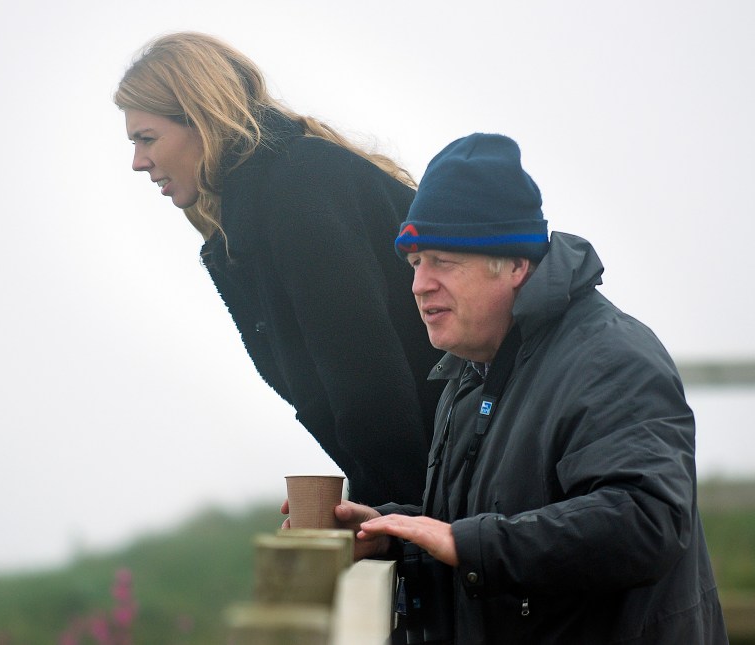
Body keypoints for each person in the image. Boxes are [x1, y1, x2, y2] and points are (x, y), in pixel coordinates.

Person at [327, 133, 728, 643]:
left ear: (516, 264)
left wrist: (468, 544)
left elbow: (647, 521)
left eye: (443, 262)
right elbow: (475, 532)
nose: (419, 284)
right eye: (415, 263)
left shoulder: (609, 358)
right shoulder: (473, 370)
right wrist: (388, 535)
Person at [113, 32, 444, 506]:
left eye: (147, 139)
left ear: (202, 120)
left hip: (480, 484)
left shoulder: (297, 190)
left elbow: (368, 378)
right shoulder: (269, 197)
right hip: (453, 484)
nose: (137, 162)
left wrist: (391, 517)